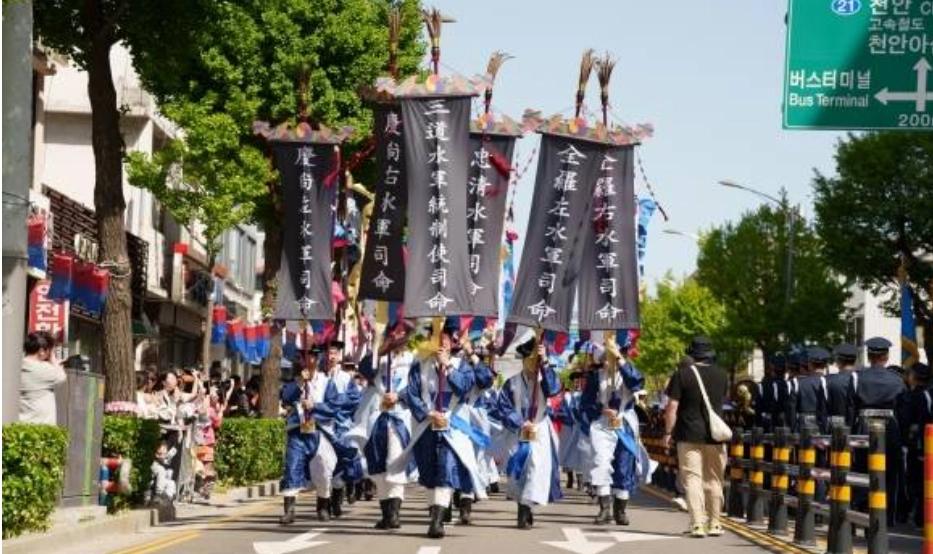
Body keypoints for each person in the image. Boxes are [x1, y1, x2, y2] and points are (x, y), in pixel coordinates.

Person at [405, 323, 484, 539]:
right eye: (436, 337)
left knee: (446, 467)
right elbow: (410, 394)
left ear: (451, 342)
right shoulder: (419, 366)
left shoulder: (461, 365)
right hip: (427, 426)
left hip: (453, 428)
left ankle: (438, 521)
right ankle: (436, 511)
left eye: (445, 338)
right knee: (428, 471)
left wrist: (448, 367)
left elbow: (465, 387)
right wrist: (428, 413)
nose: (441, 342)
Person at [662, 336, 729, 538]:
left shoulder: (682, 375)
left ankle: (698, 524)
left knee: (692, 479)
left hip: (688, 434)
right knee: (715, 480)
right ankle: (715, 523)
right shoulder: (722, 375)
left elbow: (672, 406)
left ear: (692, 353)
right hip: (716, 436)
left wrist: (668, 432)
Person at [351, 321, 416, 530]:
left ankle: (395, 513)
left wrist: (399, 396)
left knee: (395, 463)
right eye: (393, 334)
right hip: (378, 417)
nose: (396, 338)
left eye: (400, 335)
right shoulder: (379, 358)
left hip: (400, 417)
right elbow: (365, 370)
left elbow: (417, 388)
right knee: (377, 465)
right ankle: (387, 514)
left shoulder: (412, 359)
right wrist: (378, 343)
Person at [581, 336, 646, 526]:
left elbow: (637, 383)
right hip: (602, 424)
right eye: (606, 357)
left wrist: (619, 358)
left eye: (612, 357)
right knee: (601, 461)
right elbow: (585, 403)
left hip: (623, 423)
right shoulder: (596, 377)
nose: (608, 361)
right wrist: (601, 410)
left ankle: (621, 510)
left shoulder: (627, 373)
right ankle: (604, 509)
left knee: (623, 465)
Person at [499, 336, 562, 529]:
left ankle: (524, 510)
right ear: (524, 360)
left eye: (536, 360)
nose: (533, 364)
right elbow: (502, 407)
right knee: (518, 473)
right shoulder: (511, 382)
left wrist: (546, 364)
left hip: (539, 429)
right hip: (518, 431)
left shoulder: (545, 379)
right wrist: (519, 422)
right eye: (531, 360)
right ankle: (523, 504)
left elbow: (553, 389)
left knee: (535, 470)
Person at [851, 337, 907, 527]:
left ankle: (861, 511)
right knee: (890, 473)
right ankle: (886, 516)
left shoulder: (859, 377)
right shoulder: (898, 379)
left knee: (861, 469)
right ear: (886, 356)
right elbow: (903, 410)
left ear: (869, 356)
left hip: (864, 426)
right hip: (890, 427)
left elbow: (852, 406)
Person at [278, 350, 339, 524]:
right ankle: (289, 510)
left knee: (323, 469)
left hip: (319, 431)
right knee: (292, 466)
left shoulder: (327, 383)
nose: (308, 360)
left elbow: (333, 407)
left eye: (311, 356)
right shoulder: (295, 382)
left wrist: (315, 406)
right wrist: (300, 384)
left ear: (318, 359)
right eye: (304, 356)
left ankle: (323, 506)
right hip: (298, 430)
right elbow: (286, 398)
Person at [19, 331, 67, 425]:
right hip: (40, 427)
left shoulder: (18, 364)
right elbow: (61, 377)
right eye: (49, 350)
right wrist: (53, 359)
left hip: (21, 424)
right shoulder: (43, 368)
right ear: (41, 351)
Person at [826, 343, 858, 429]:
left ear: (838, 361)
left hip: (835, 426)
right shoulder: (862, 380)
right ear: (855, 361)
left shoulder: (828, 380)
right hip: (857, 426)